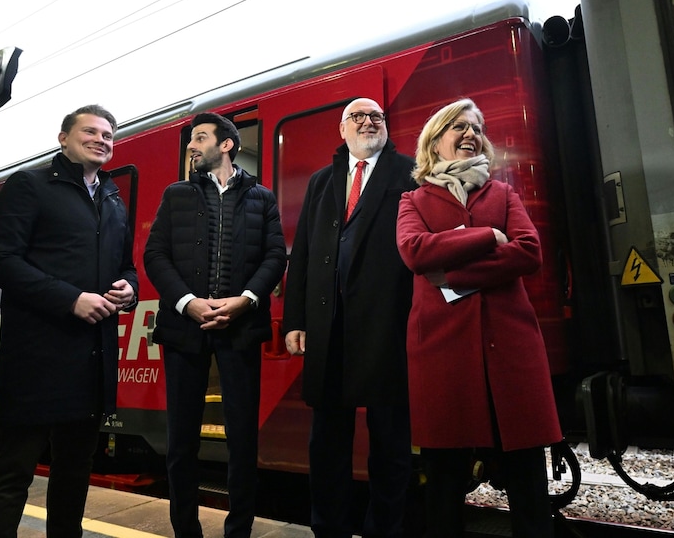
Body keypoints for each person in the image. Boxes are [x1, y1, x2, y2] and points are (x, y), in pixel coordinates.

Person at [395, 98, 562, 538]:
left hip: (510, 352)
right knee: (444, 487)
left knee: (528, 483)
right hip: (443, 355)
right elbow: (414, 251)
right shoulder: (412, 200)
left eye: (476, 128)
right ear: (435, 142)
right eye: (458, 127)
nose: (470, 134)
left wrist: (450, 270)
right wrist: (489, 235)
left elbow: (529, 251)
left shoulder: (503, 193)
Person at [0, 104, 138, 538]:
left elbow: (127, 265)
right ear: (63, 138)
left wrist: (128, 288)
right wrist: (71, 300)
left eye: (108, 135)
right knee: (13, 470)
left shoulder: (113, 199)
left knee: (75, 471)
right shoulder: (29, 185)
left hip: (92, 359)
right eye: (91, 131)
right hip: (38, 357)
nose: (102, 139)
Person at [143, 112, 286, 538]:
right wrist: (187, 303)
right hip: (184, 329)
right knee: (181, 441)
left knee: (244, 440)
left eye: (200, 137)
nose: (191, 145)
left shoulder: (263, 197)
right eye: (191, 138)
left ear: (227, 144)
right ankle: (186, 531)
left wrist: (246, 301)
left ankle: (238, 531)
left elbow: (275, 257)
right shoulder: (176, 195)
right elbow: (156, 255)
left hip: (240, 328)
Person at [283, 97, 418, 538]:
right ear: (342, 130)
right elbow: (301, 252)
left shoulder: (409, 172)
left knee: (390, 442)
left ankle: (385, 530)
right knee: (327, 444)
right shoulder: (323, 182)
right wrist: (294, 320)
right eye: (357, 117)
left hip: (388, 325)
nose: (367, 122)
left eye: (375, 116)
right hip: (329, 327)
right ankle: (329, 529)